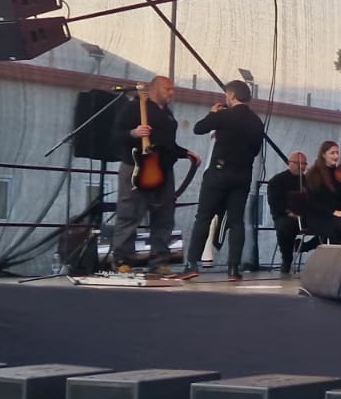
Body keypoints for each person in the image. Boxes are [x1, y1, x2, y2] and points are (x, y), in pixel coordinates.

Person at [111, 76, 198, 273]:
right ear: (154, 89)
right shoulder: (135, 107)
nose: (172, 93)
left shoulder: (167, 114)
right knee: (130, 213)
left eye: (173, 89)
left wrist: (185, 153)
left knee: (164, 216)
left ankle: (159, 261)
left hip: (162, 169)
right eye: (168, 89)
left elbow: (167, 144)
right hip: (136, 167)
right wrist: (134, 133)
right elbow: (116, 135)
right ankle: (123, 260)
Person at [182, 80, 265, 280]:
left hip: (219, 172)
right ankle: (233, 269)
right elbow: (255, 150)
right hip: (243, 174)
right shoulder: (257, 122)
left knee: (204, 216)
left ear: (232, 95)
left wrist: (212, 114)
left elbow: (198, 128)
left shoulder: (224, 116)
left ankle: (192, 265)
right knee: (236, 221)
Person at [303, 140, 341, 244]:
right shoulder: (314, 174)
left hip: (340, 215)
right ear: (323, 155)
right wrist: (334, 212)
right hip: (320, 217)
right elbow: (313, 202)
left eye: (337, 153)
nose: (336, 156)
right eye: (332, 153)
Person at [264, 152, 307, 275]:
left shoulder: (308, 180)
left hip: (305, 217)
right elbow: (275, 201)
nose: (301, 166)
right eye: (298, 163)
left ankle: (304, 246)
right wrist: (289, 212)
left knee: (328, 226)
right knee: (285, 226)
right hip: (285, 216)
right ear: (289, 163)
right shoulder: (277, 180)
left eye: (304, 164)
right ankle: (287, 259)